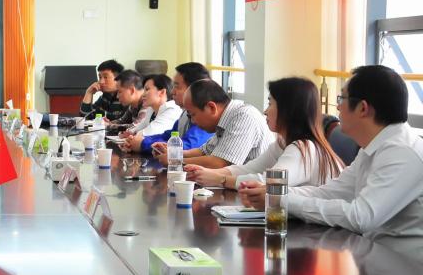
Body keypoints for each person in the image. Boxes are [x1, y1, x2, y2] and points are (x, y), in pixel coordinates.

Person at [240, 66, 423, 238]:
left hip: (397, 259)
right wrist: (276, 194)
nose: (337, 107)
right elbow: (330, 192)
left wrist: (283, 200)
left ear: (363, 108)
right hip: (372, 251)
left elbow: (360, 217)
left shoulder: (402, 152)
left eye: (341, 99)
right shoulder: (373, 147)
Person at [185, 77, 343, 189]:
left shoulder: (304, 148)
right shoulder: (282, 143)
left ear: (287, 110)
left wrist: (221, 179)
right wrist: (205, 173)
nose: (265, 111)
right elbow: (250, 169)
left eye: (270, 103)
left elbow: (270, 182)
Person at [181, 78, 273, 167]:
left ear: (212, 108)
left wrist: (177, 162)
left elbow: (219, 163)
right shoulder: (224, 121)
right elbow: (204, 152)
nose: (192, 121)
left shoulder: (244, 116)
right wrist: (176, 153)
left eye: (192, 114)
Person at [139, 62, 213, 160]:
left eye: (177, 86)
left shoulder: (206, 115)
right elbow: (169, 136)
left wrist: (143, 144)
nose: (172, 91)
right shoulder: (185, 114)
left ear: (194, 89)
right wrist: (143, 141)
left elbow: (188, 146)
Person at [120, 73, 183, 150]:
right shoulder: (151, 109)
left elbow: (149, 132)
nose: (143, 95)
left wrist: (131, 138)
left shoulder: (172, 109)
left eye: (147, 89)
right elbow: (140, 126)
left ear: (162, 92)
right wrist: (130, 133)